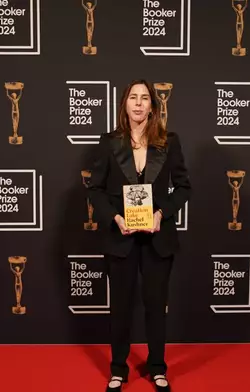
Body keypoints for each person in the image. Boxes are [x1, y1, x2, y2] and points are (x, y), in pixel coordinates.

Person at [88, 80, 192, 391]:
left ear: (152, 106)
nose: (138, 103)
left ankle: (158, 367)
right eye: (133, 97)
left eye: (144, 98)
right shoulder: (109, 143)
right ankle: (118, 369)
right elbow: (94, 189)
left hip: (157, 238)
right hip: (121, 236)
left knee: (155, 304)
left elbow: (184, 187)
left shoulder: (169, 142)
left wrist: (161, 214)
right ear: (125, 103)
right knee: (119, 306)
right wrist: (116, 218)